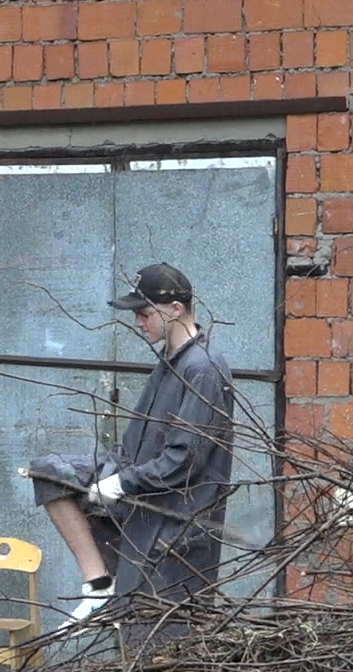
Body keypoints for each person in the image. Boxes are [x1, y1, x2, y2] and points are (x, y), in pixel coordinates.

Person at [27, 263, 234, 624]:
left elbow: (185, 459)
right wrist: (102, 476)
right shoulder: (168, 361)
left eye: (144, 312)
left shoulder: (203, 368)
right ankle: (98, 585)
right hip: (142, 508)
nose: (139, 321)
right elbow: (136, 445)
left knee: (160, 642)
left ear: (175, 309)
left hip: (176, 527)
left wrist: (121, 483)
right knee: (50, 473)